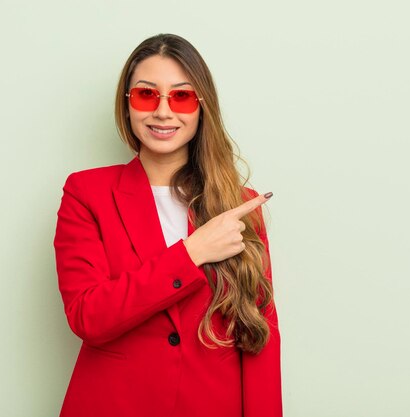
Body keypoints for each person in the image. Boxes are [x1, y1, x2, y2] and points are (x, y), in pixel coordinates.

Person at [53, 33, 282, 417]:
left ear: (200, 108)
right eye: (146, 95)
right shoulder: (86, 192)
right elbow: (88, 316)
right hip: (114, 405)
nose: (163, 111)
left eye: (181, 96)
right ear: (127, 106)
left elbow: (259, 334)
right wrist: (192, 254)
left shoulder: (238, 205)